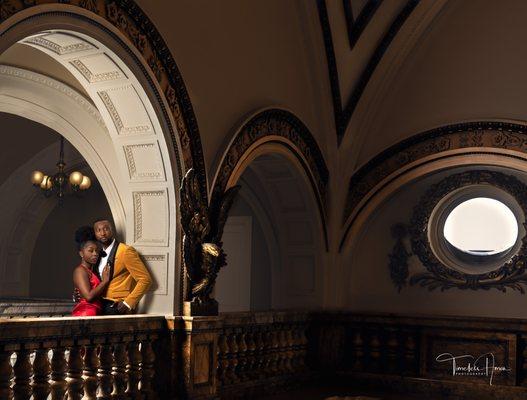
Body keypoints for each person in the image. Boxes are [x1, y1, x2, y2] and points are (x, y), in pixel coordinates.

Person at [92, 218, 152, 315]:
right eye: (98, 230)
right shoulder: (97, 255)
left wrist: (128, 303)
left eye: (106, 229)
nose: (102, 233)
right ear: (95, 234)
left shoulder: (125, 251)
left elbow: (145, 280)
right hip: (100, 304)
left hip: (116, 306)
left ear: (112, 231)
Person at [72, 226, 111, 316]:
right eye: (91, 251)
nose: (95, 254)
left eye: (97, 251)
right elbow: (89, 297)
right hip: (86, 312)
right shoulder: (80, 271)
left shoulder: (91, 271)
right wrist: (104, 282)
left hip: (95, 312)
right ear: (81, 253)